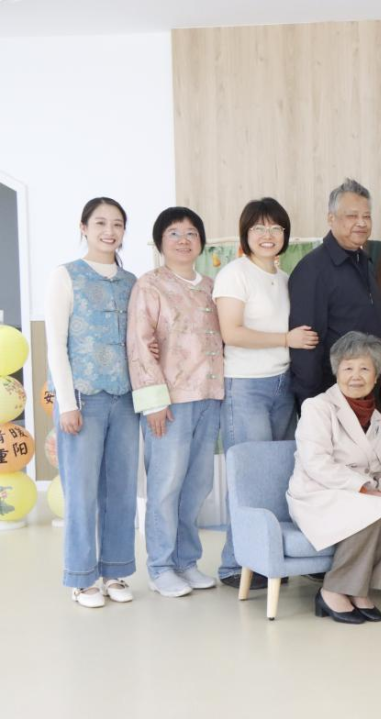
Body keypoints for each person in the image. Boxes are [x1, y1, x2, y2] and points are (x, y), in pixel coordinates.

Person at [214, 198, 318, 589]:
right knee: (248, 476)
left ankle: (266, 559)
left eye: (275, 228)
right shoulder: (234, 274)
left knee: (278, 475)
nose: (267, 235)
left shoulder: (285, 278)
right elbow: (232, 333)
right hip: (246, 387)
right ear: (246, 234)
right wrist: (286, 339)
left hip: (282, 385)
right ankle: (233, 565)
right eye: (258, 228)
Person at [45, 197, 139, 608]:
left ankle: (114, 571)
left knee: (121, 490)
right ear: (83, 227)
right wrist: (67, 403)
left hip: (126, 399)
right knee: (81, 493)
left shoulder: (132, 281)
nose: (109, 231)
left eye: (117, 224)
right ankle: (81, 579)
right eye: (100, 223)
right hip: (83, 398)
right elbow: (55, 345)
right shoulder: (65, 275)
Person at [128, 207, 224, 598]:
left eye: (191, 233)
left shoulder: (212, 286)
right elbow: (139, 344)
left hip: (210, 398)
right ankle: (161, 566)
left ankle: (186, 561)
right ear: (159, 242)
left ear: (201, 242)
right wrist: (153, 401)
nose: (183, 240)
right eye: (174, 233)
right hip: (169, 402)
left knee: (197, 485)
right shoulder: (149, 285)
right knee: (166, 485)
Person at [287, 332, 381, 624]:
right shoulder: (317, 407)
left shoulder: (380, 421)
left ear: (376, 375)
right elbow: (316, 463)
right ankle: (332, 590)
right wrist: (364, 488)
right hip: (318, 494)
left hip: (359, 494)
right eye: (348, 368)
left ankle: (359, 589)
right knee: (368, 507)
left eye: (364, 368)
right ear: (337, 372)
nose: (356, 376)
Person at [288, 178, 381, 409]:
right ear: (331, 218)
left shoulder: (364, 261)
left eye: (367, 216)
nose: (361, 223)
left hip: (365, 390)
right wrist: (311, 403)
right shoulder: (313, 269)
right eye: (352, 216)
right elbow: (305, 344)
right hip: (329, 396)